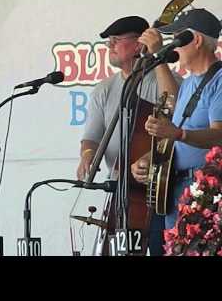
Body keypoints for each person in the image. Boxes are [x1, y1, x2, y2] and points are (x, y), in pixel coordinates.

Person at [76, 15, 181, 256]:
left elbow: (177, 112)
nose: (109, 46)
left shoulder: (165, 79)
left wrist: (158, 58)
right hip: (119, 190)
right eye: (108, 42)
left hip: (160, 190)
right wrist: (87, 155)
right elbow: (91, 137)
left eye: (115, 40)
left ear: (138, 44)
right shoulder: (103, 90)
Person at [131, 8, 222, 230]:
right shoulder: (189, 82)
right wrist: (148, 159)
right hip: (178, 186)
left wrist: (178, 133)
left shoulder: (219, 80)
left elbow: (219, 135)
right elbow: (177, 132)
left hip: (206, 189)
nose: (174, 47)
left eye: (177, 39)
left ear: (197, 40)